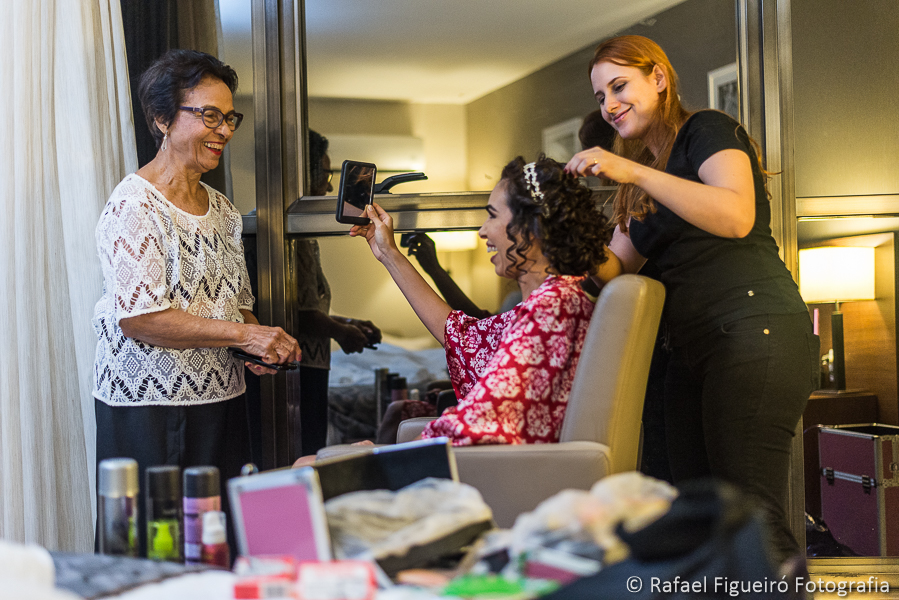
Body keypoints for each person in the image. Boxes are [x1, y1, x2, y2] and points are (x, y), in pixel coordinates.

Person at [565, 35, 819, 562]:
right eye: (600, 97)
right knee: (697, 510)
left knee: (750, 510)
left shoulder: (706, 130)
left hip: (756, 331)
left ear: (658, 77)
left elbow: (735, 215)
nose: (610, 105)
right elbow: (614, 268)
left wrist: (633, 170)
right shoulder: (641, 183)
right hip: (691, 348)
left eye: (619, 87)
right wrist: (563, 223)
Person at [92, 49, 300, 556]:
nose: (224, 130)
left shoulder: (224, 212)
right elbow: (142, 318)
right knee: (151, 548)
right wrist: (246, 334)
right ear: (162, 119)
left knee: (213, 543)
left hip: (221, 401)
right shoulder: (133, 205)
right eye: (208, 115)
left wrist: (254, 347)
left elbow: (235, 305)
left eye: (229, 117)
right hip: (150, 407)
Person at [351, 156, 610, 445]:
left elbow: (476, 427)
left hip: (492, 474)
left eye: (493, 216)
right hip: (489, 468)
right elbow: (459, 336)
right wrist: (387, 252)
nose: (482, 231)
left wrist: (377, 454)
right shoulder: (554, 300)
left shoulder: (552, 308)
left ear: (531, 226)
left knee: (308, 466)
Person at [287, 130, 381, 454]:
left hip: (315, 361)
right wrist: (342, 331)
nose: (329, 187)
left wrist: (349, 322)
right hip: (298, 367)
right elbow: (293, 314)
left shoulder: (303, 234)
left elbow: (308, 306)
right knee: (305, 450)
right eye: (325, 176)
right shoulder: (287, 233)